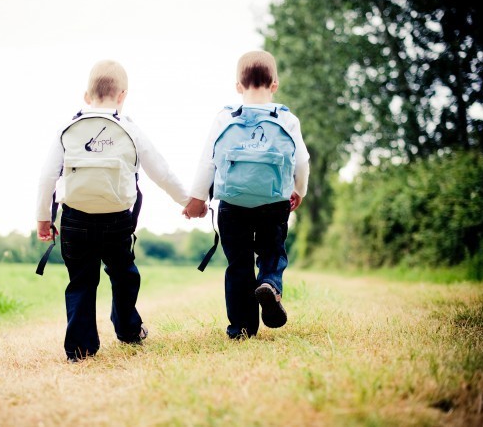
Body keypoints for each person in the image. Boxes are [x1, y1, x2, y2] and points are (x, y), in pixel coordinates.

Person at [36, 60, 190, 361]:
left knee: (81, 280)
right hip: (117, 221)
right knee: (124, 276)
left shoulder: (68, 129)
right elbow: (161, 171)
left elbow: (46, 177)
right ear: (122, 95)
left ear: (86, 95)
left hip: (75, 219)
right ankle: (128, 329)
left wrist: (44, 218)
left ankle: (80, 349)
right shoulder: (129, 129)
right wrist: (188, 200)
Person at [183, 50, 310, 339]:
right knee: (272, 252)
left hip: (233, 203)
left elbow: (208, 159)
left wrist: (197, 199)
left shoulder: (225, 118)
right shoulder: (288, 119)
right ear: (274, 84)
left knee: (238, 264)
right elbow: (302, 161)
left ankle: (241, 328)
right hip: (274, 201)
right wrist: (298, 190)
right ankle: (270, 285)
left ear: (238, 85)